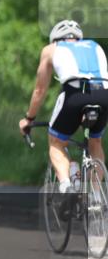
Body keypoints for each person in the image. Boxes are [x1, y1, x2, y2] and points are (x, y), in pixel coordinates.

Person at [19, 19, 107, 196]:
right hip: (104, 93)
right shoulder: (95, 45)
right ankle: (97, 196)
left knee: (56, 142)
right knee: (95, 142)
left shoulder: (51, 49)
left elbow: (39, 90)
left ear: (55, 39)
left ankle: (67, 186)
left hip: (74, 94)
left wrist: (29, 119)